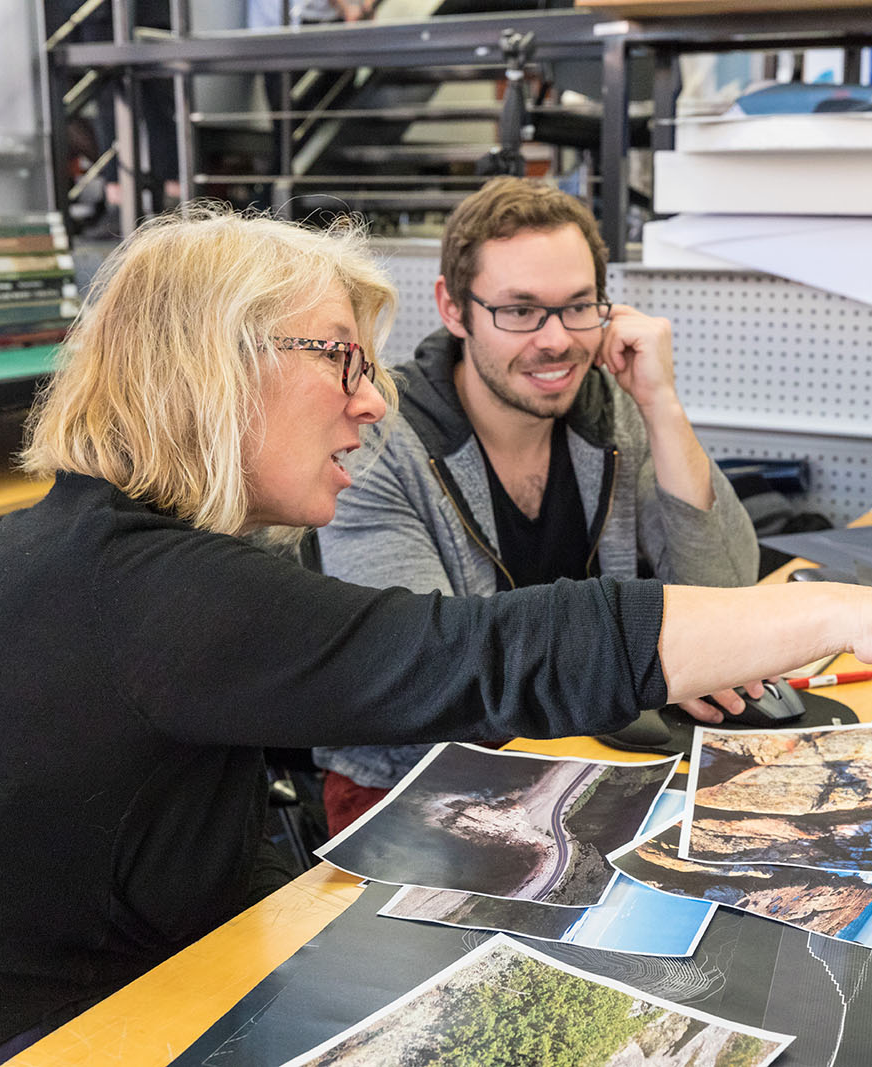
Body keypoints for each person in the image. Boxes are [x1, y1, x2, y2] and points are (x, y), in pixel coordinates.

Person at [0, 204, 872, 1067]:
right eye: (336, 359)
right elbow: (485, 652)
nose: (365, 404)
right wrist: (865, 610)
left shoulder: (112, 546)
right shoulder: (154, 585)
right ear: (214, 369)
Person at [311, 176, 762, 831]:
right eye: (519, 310)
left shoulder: (610, 416)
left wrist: (661, 405)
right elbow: (430, 682)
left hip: (588, 762)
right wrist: (644, 663)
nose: (556, 341)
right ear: (453, 307)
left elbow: (728, 605)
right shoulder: (376, 442)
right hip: (413, 789)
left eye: (580, 306)